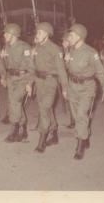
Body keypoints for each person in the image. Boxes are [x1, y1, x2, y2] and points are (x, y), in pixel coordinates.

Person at [65, 24, 104, 160]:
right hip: (73, 87)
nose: (69, 37)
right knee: (76, 116)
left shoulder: (91, 53)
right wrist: (67, 63)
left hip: (87, 88)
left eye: (71, 35)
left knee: (81, 115)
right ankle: (85, 135)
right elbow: (70, 70)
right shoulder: (71, 50)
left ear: (79, 37)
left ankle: (80, 145)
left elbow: (101, 72)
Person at [32, 22, 68, 153]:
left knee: (44, 108)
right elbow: (33, 67)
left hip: (50, 82)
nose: (37, 35)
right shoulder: (36, 48)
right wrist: (30, 83)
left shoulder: (55, 49)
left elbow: (61, 70)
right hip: (39, 82)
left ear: (47, 34)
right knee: (47, 109)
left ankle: (42, 140)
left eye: (40, 32)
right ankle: (54, 134)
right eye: (37, 32)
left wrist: (65, 88)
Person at [0, 23, 34, 143]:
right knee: (15, 104)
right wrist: (3, 60)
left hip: (23, 78)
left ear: (13, 34)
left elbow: (31, 67)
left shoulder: (25, 47)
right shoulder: (6, 46)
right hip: (11, 78)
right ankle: (23, 128)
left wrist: (29, 84)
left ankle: (13, 130)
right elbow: (6, 65)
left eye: (6, 33)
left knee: (15, 101)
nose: (4, 35)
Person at [61, 32, 75, 128]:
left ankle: (76, 121)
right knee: (70, 101)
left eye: (65, 41)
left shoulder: (72, 51)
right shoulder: (65, 51)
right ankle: (73, 120)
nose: (62, 43)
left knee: (73, 101)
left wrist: (67, 61)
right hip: (67, 78)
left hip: (73, 79)